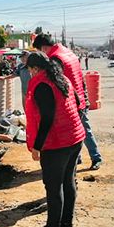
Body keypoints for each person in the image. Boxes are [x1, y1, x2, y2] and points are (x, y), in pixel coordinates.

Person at [25, 51, 86, 227]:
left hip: (57, 144)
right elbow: (78, 103)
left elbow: (47, 118)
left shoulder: (42, 85)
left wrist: (37, 145)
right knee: (68, 182)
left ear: (35, 69)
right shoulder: (62, 79)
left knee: (53, 186)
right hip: (74, 138)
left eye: (29, 70)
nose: (29, 74)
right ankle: (66, 224)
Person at [33, 33, 103, 170]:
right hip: (80, 98)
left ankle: (96, 157)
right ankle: (79, 159)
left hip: (72, 100)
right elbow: (79, 76)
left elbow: (57, 81)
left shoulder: (55, 58)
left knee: (79, 131)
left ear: (43, 48)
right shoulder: (68, 52)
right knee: (80, 130)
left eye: (39, 51)